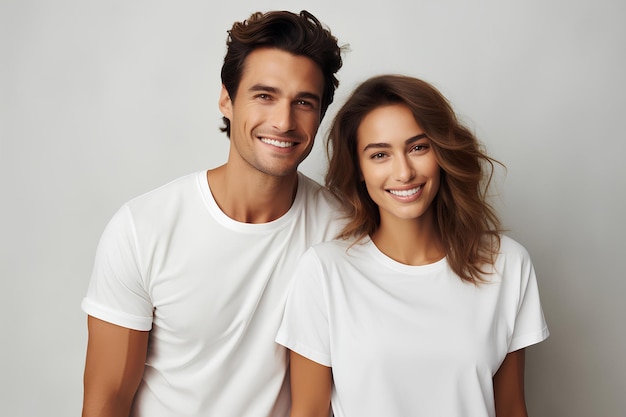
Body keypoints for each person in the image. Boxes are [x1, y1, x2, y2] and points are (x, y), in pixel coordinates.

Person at [81, 10, 345, 417]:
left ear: (321, 114)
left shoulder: (345, 232)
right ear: (227, 99)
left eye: (304, 102)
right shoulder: (144, 228)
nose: (283, 120)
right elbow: (106, 402)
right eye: (265, 95)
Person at [276, 74, 550, 417]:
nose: (403, 172)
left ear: (442, 151)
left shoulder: (506, 264)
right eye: (379, 155)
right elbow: (308, 412)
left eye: (418, 147)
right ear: (359, 169)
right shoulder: (325, 271)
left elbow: (511, 409)